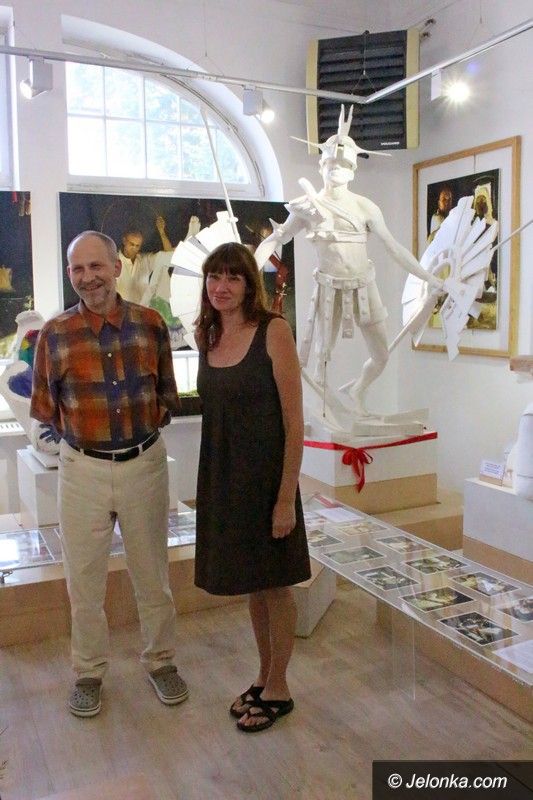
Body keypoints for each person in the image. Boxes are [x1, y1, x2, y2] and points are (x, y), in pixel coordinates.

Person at [30, 231, 188, 717]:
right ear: (70, 274)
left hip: (144, 465)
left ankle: (161, 661)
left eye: (96, 266)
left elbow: (167, 395)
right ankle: (88, 672)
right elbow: (45, 409)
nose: (88, 277)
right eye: (77, 269)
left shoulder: (151, 325)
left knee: (153, 575)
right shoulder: (55, 334)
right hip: (83, 471)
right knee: (84, 582)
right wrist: (86, 442)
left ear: (117, 267)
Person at [254, 105, 443, 419]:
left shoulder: (366, 207)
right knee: (322, 360)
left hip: (364, 286)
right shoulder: (307, 207)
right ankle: (326, 414)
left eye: (343, 163)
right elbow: (277, 238)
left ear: (353, 169)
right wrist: (249, 269)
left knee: (382, 355)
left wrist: (428, 277)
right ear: (321, 165)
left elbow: (394, 248)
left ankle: (357, 391)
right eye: (331, 162)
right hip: (329, 289)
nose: (336, 167)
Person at [193, 241, 311, 733]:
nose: (221, 286)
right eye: (213, 276)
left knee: (276, 585)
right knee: (255, 587)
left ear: (249, 284)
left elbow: (294, 422)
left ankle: (279, 688)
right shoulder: (207, 334)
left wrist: (285, 498)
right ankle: (264, 676)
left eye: (232, 277)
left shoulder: (273, 331)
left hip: (267, 480)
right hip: (226, 478)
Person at [116, 215, 173, 306]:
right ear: (124, 241)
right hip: (122, 311)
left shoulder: (145, 260)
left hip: (143, 311)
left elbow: (169, 255)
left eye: (137, 245)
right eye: (131, 244)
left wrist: (161, 232)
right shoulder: (113, 261)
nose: (134, 248)